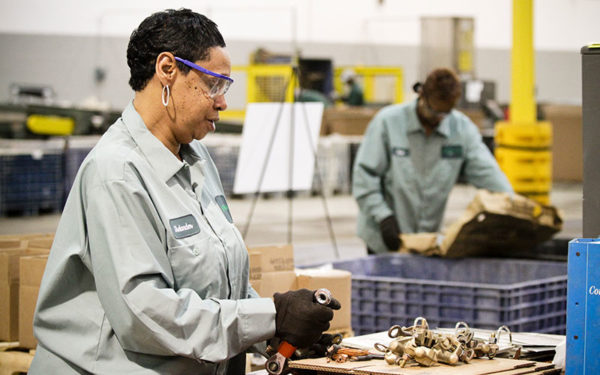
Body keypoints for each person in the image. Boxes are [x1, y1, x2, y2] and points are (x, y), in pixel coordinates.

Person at [29, 9, 339, 374]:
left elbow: (217, 289)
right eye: (214, 85)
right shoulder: (116, 173)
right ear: (167, 70)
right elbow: (144, 315)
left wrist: (274, 331)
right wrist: (271, 315)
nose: (223, 103)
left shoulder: (197, 159)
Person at [352, 68, 512, 254]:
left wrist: (512, 205)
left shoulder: (461, 129)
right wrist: (383, 216)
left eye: (444, 114)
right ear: (421, 95)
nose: (438, 118)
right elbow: (364, 176)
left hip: (425, 240)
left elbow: (487, 173)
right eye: (433, 111)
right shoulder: (388, 122)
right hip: (384, 235)